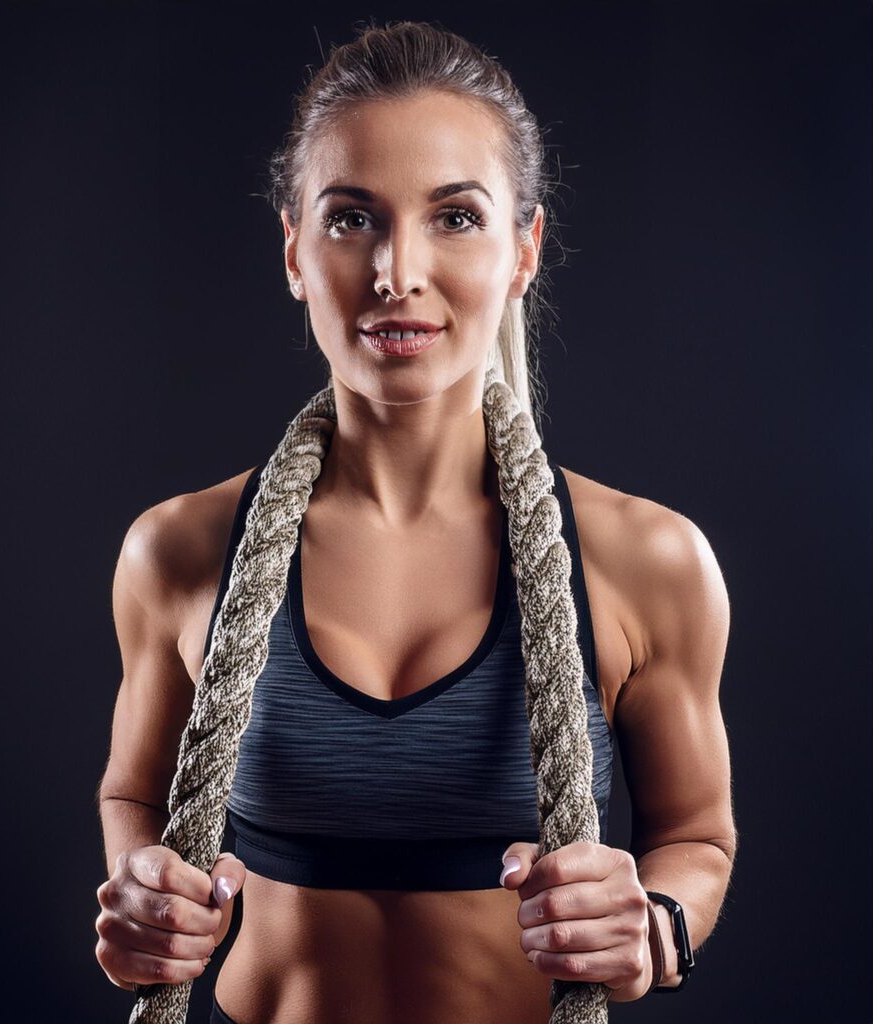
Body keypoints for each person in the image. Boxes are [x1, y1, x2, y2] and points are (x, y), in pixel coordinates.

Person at [94, 19, 737, 1024]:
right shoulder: (177, 551)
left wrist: (655, 926)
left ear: (523, 247)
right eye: (351, 219)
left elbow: (698, 836)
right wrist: (140, 890)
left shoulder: (647, 561)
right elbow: (132, 794)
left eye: (453, 217)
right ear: (293, 250)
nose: (397, 270)